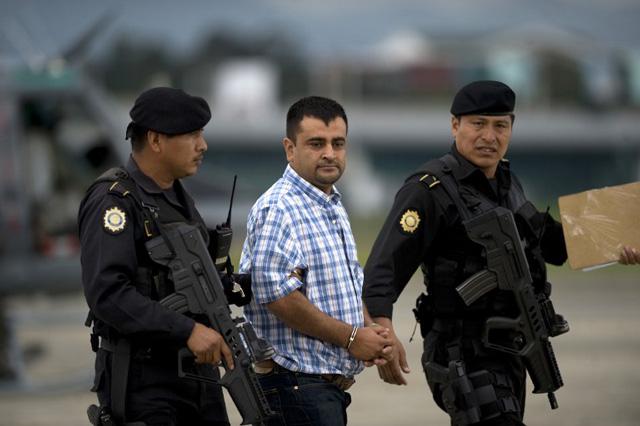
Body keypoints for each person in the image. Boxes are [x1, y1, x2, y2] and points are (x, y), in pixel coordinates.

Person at [363, 81, 570, 425]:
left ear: (511, 129)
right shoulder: (429, 189)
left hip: (511, 348)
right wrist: (383, 339)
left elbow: (550, 241)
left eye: (500, 125)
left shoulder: (507, 184)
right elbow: (384, 268)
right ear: (455, 125)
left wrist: (613, 244)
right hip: (462, 351)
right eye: (478, 124)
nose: (489, 136)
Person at [78, 87, 233, 426]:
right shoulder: (115, 201)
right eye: (191, 135)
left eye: (201, 134)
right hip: (145, 380)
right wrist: (185, 329)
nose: (202, 145)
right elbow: (107, 293)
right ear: (156, 140)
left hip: (196, 374)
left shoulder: (177, 198)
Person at [239, 96, 393, 426]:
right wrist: (352, 338)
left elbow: (343, 285)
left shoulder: (329, 202)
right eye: (316, 143)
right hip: (294, 389)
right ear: (289, 148)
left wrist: (371, 331)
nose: (329, 153)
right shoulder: (280, 208)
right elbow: (276, 295)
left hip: (317, 393)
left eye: (338, 143)